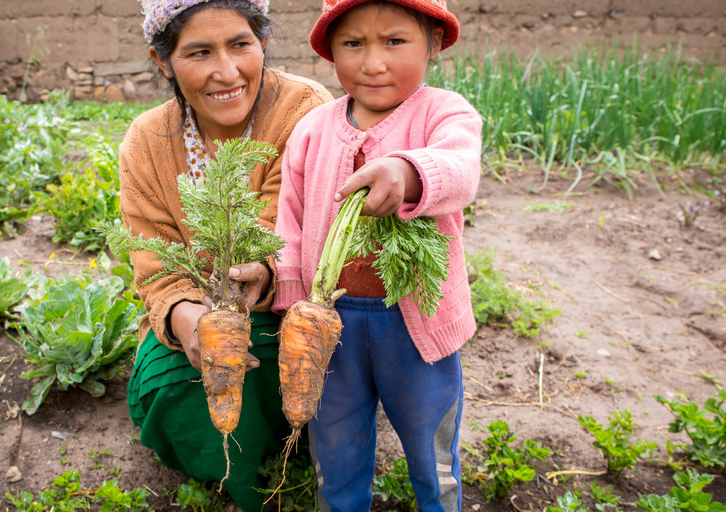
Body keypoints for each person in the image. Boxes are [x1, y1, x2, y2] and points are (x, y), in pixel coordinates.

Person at [119, 0, 333, 509]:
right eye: (198, 52)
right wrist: (191, 322)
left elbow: (292, 229)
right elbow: (157, 268)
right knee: (177, 386)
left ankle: (296, 449)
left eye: (240, 44)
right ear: (162, 60)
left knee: (290, 357)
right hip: (205, 316)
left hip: (292, 305)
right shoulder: (147, 141)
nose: (226, 71)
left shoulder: (305, 109)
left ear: (261, 41)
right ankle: (225, 475)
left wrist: (265, 271)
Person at [272, 0, 481, 510]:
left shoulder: (444, 112)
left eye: (394, 41)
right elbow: (291, 222)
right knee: (336, 446)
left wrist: (407, 173)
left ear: (433, 42)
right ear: (330, 52)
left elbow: (460, 167)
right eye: (353, 44)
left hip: (416, 326)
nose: (373, 62)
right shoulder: (313, 129)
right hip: (330, 325)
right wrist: (296, 306)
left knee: (430, 446)